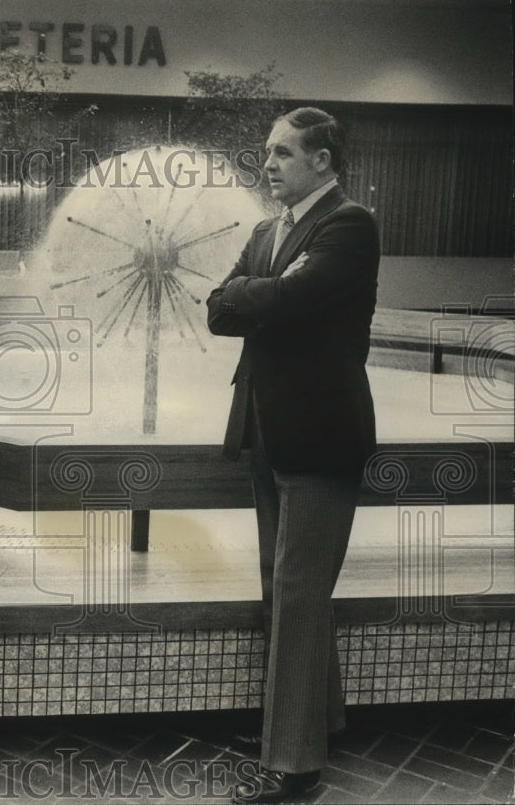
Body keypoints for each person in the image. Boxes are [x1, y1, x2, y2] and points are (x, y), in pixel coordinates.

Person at [206, 107, 380, 804]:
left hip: (320, 434)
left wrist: (261, 294)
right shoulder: (265, 230)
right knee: (284, 583)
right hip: (266, 427)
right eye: (266, 152)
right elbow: (220, 308)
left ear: (323, 160)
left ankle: (295, 765)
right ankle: (310, 722)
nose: (268, 163)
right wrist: (261, 295)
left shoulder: (348, 225)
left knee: (301, 592)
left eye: (282, 153)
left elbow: (291, 296)